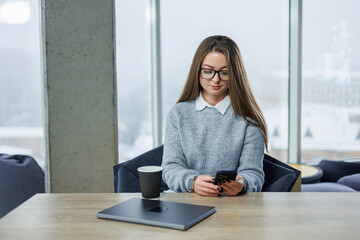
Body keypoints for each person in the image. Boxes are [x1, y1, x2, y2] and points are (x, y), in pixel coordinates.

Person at [161, 35, 268, 197]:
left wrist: (243, 184)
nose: (215, 79)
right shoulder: (178, 114)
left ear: (235, 74)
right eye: (208, 71)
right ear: (197, 71)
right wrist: (193, 182)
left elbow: (253, 173)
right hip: (187, 203)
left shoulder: (248, 119)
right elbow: (171, 167)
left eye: (224, 73)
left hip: (232, 206)